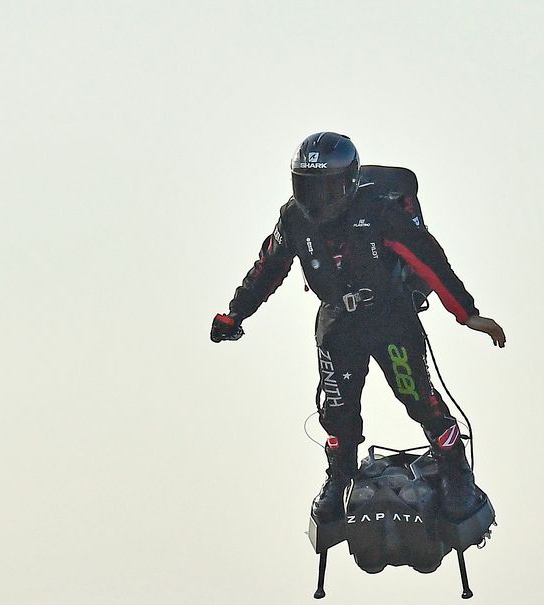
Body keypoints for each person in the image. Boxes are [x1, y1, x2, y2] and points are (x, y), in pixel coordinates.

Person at [210, 131, 506, 524]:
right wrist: (235, 314)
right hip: (337, 324)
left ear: (349, 182)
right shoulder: (294, 219)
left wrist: (467, 314)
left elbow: (429, 259)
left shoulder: (379, 211)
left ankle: (454, 467)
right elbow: (266, 268)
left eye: (327, 188)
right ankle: (339, 475)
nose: (317, 199)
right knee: (337, 410)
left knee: (417, 396)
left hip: (390, 318)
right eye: (307, 187)